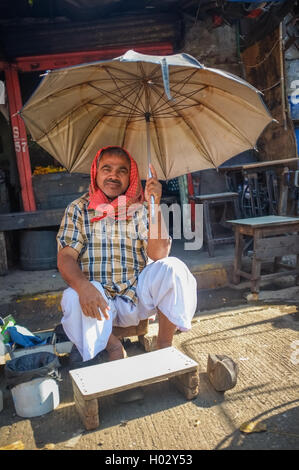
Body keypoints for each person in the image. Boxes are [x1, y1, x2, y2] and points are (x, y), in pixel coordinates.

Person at [56, 146, 197, 366]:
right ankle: (114, 347)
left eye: (122, 170)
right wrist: (84, 288)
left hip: (137, 296)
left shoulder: (140, 208)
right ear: (96, 172)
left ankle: (164, 346)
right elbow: (65, 257)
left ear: (130, 176)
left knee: (173, 268)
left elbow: (159, 254)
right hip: (98, 302)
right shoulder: (78, 209)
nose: (113, 175)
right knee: (71, 298)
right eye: (107, 169)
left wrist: (154, 205)